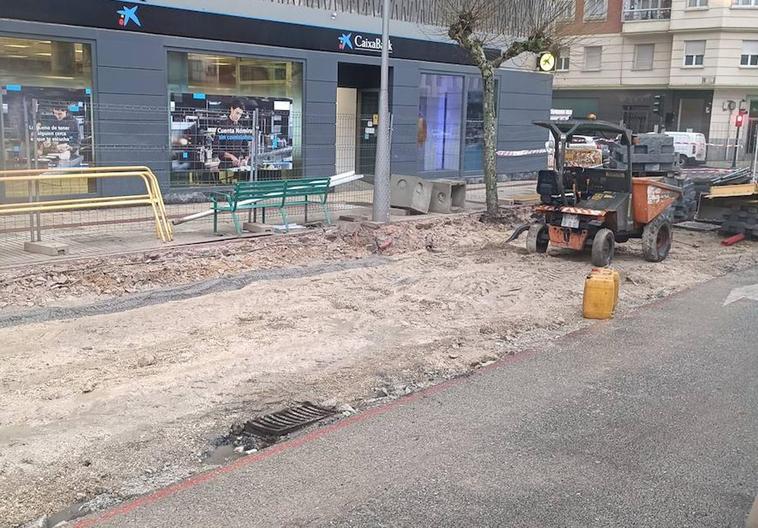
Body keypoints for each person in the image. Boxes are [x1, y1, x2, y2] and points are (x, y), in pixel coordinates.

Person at [214, 98, 256, 170]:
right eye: (237, 113)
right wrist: (231, 156)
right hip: (225, 167)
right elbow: (216, 148)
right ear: (231, 109)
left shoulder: (240, 128)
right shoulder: (222, 126)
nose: (238, 116)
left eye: (240, 114)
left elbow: (246, 147)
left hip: (237, 167)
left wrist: (245, 159)